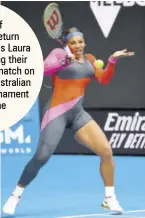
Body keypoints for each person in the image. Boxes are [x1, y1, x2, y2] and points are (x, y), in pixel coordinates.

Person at [3, 27, 135, 215]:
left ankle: (110, 199)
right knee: (41, 157)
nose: (78, 45)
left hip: (78, 114)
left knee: (106, 151)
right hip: (56, 114)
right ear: (66, 44)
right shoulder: (58, 54)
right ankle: (15, 196)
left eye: (80, 41)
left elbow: (104, 78)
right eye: (73, 43)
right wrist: (64, 61)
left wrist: (112, 60)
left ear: (84, 42)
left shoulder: (89, 59)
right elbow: (42, 69)